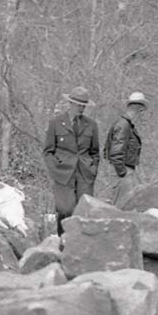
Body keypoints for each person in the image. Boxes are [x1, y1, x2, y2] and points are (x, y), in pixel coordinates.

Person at [42, 86, 100, 235]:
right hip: (63, 173)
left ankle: (80, 248)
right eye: (78, 105)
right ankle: (62, 244)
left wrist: (92, 169)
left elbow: (95, 152)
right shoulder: (56, 122)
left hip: (84, 173)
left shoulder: (91, 125)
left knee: (83, 211)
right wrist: (54, 169)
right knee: (64, 210)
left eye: (84, 106)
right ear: (71, 103)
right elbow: (48, 151)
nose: (81, 108)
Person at [106, 92, 147, 208]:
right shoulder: (123, 125)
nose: (141, 115)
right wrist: (123, 173)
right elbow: (116, 152)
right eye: (141, 111)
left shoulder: (126, 125)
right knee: (121, 207)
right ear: (137, 109)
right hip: (123, 170)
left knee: (124, 206)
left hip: (124, 169)